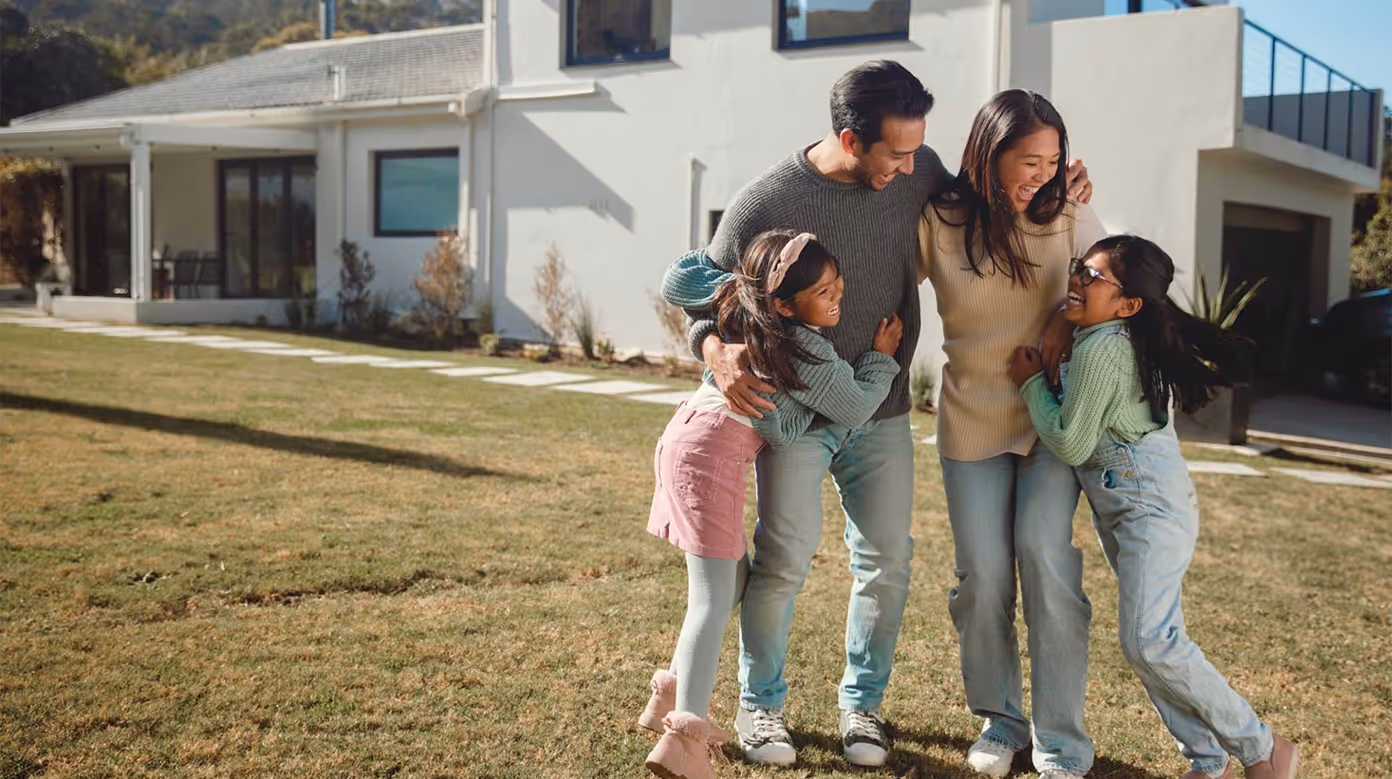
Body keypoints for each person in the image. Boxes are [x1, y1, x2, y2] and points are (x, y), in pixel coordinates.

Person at [675, 63, 1092, 770]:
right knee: (782, 559)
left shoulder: (919, 169)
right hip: (799, 415)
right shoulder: (767, 199)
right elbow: (696, 287)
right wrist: (713, 348)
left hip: (884, 408)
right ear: (849, 137)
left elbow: (989, 200)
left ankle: (860, 703)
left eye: (915, 152)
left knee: (888, 561)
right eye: (895, 154)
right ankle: (761, 704)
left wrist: (1057, 182)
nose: (909, 168)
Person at [1008, 235, 1300, 779]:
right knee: (1152, 644)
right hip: (1129, 508)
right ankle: (1207, 759)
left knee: (1149, 641)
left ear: (1129, 305)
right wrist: (1063, 320)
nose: (1076, 280)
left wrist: (1030, 386)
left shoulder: (1104, 347)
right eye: (1078, 269)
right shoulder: (1106, 332)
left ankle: (1263, 747)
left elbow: (1070, 444)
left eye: (1092, 278)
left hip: (1149, 510)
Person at [639, 229, 903, 779]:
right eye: (823, 291)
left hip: (689, 439)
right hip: (709, 458)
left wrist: (736, 287)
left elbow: (779, 428)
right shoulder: (804, 346)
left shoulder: (749, 313)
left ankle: (669, 692)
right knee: (710, 602)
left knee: (729, 584)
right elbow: (853, 405)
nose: (838, 297)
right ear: (784, 303)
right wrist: (880, 360)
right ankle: (683, 739)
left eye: (838, 284)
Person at [918, 89, 1106, 779]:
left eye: (1053, 162)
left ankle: (1059, 739)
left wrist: (1065, 318)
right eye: (1029, 161)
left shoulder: (1071, 215)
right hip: (972, 419)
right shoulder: (939, 220)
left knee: (1043, 557)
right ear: (988, 155)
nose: (1044, 176)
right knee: (983, 580)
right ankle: (1001, 719)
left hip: (1053, 418)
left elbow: (1114, 293)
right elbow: (882, 274)